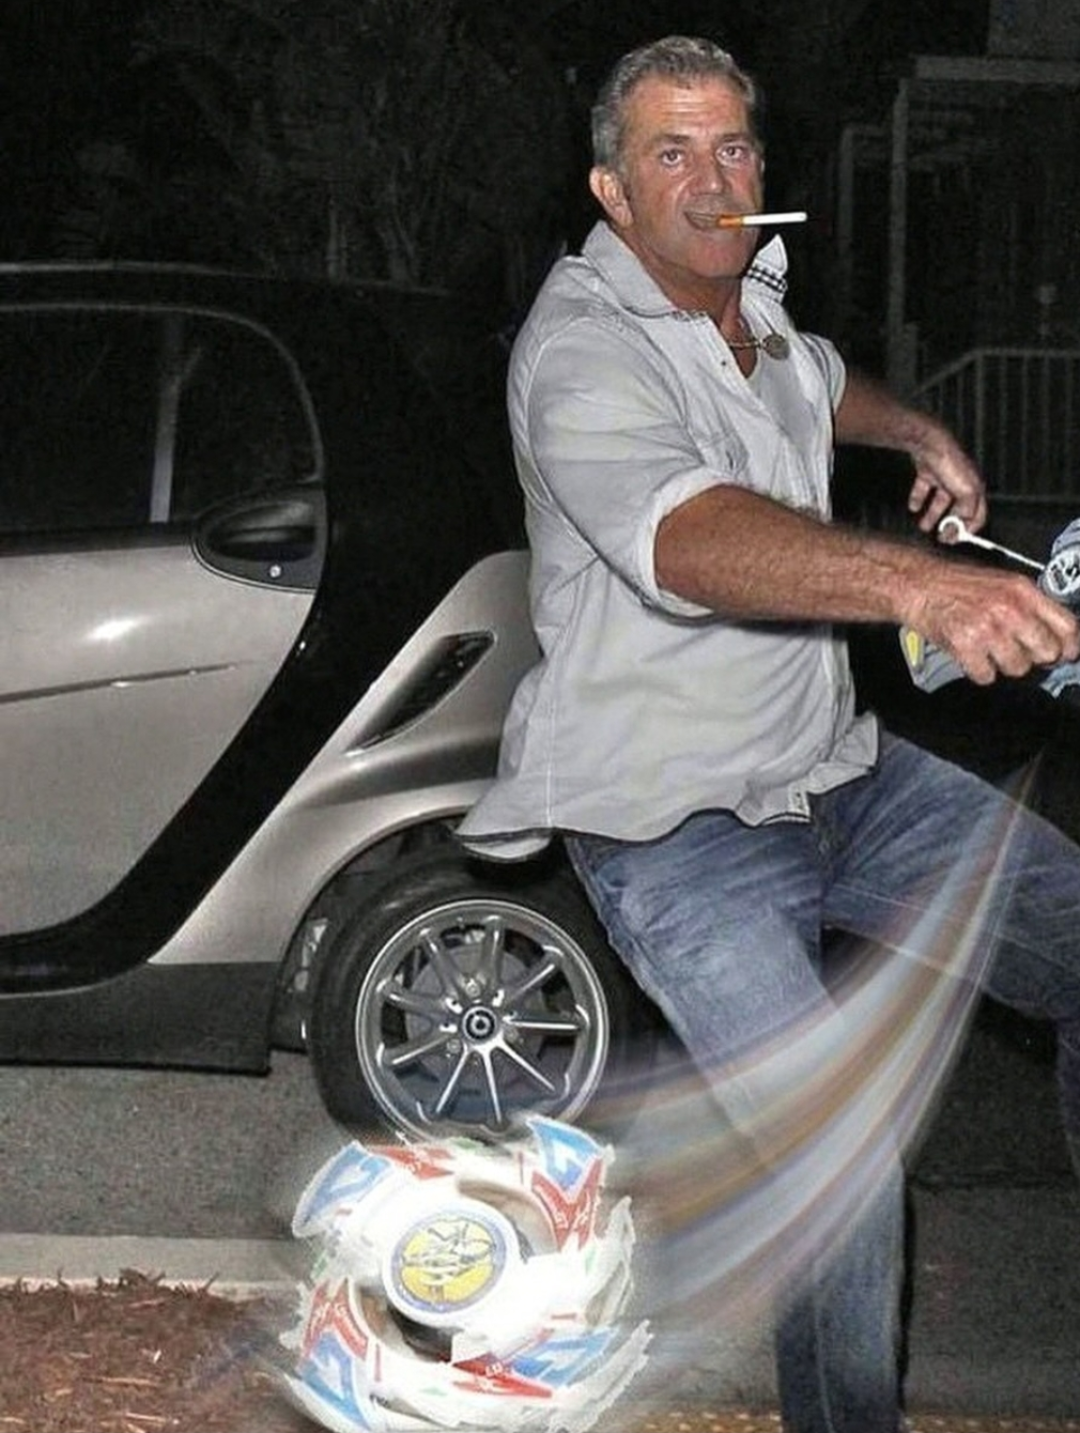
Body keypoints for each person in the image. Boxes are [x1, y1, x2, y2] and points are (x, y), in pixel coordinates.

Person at [458, 34, 1080, 1433]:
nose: (712, 181)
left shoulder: (755, 295)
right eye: (670, 154)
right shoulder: (580, 353)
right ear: (612, 191)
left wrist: (913, 432)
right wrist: (920, 585)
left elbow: (817, 377)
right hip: (674, 828)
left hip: (838, 777)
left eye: (733, 147)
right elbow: (687, 537)